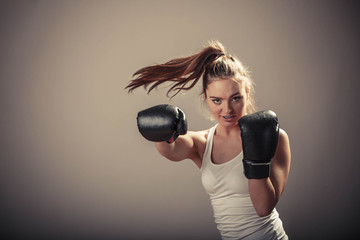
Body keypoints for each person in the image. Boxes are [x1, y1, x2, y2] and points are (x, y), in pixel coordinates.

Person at [126, 41, 291, 240]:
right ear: (205, 97)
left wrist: (256, 155)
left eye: (235, 98)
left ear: (247, 93)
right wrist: (161, 130)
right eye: (217, 100)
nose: (227, 110)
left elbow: (263, 208)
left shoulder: (274, 137)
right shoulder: (203, 142)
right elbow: (170, 150)